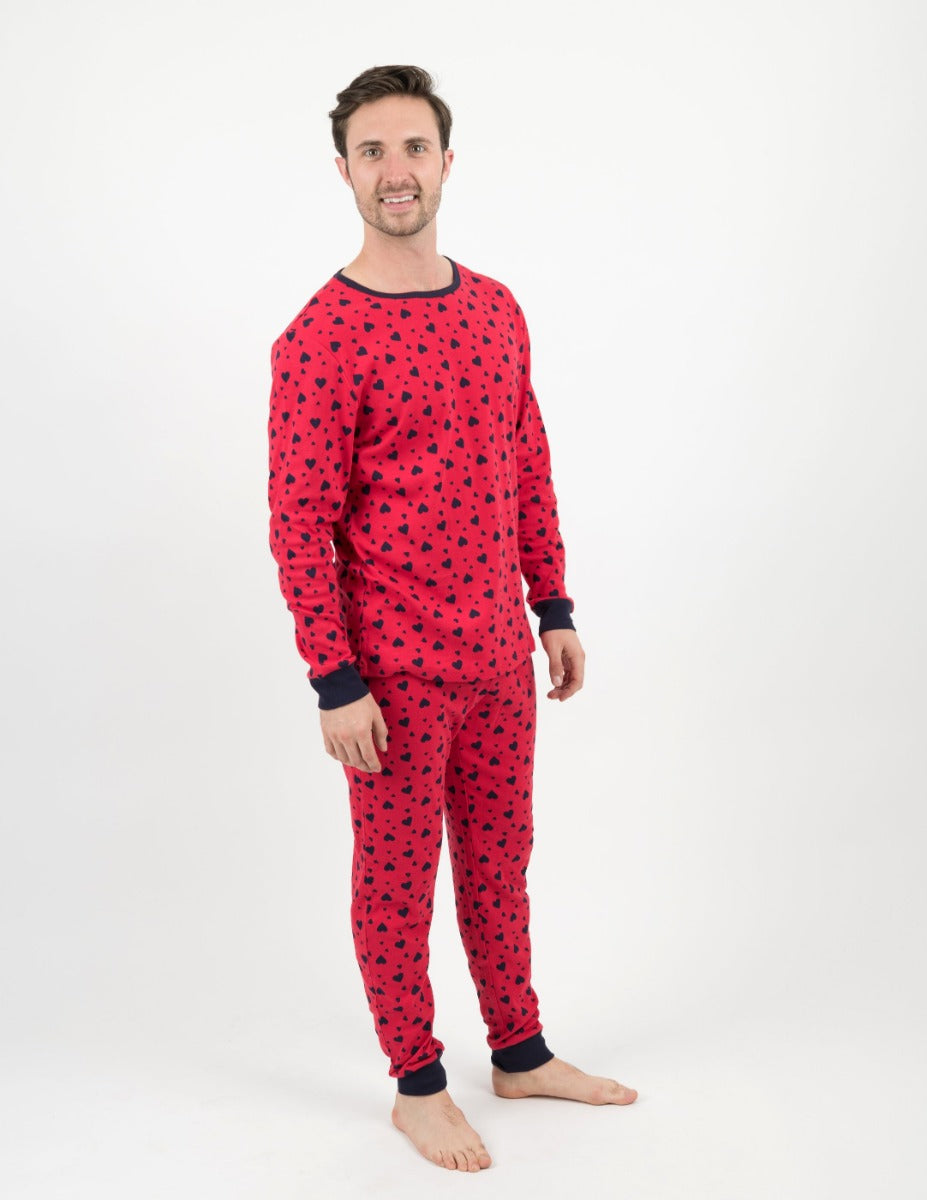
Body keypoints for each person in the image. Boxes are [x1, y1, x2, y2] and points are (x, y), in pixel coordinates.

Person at [266, 64, 637, 1173]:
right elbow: (299, 524)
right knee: (396, 881)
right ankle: (416, 1083)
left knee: (500, 860)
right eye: (372, 151)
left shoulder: (496, 308)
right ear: (343, 171)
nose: (396, 170)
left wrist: (551, 603)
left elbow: (527, 461)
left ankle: (517, 1051)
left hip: (501, 659)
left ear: (445, 161)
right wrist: (335, 679)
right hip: (391, 675)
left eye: (413, 147)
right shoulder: (318, 338)